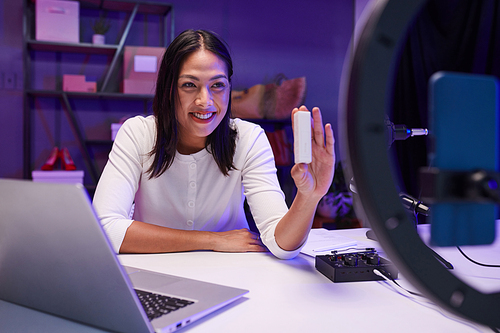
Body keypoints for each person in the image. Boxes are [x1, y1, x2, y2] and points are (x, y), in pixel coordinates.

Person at [93, 29, 335, 260]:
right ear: (168, 90)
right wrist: (212, 240)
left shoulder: (249, 138)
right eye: (189, 85)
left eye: (217, 85)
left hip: (231, 276)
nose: (204, 101)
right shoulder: (138, 133)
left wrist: (309, 197)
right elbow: (105, 229)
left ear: (229, 89)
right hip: (153, 275)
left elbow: (282, 245)